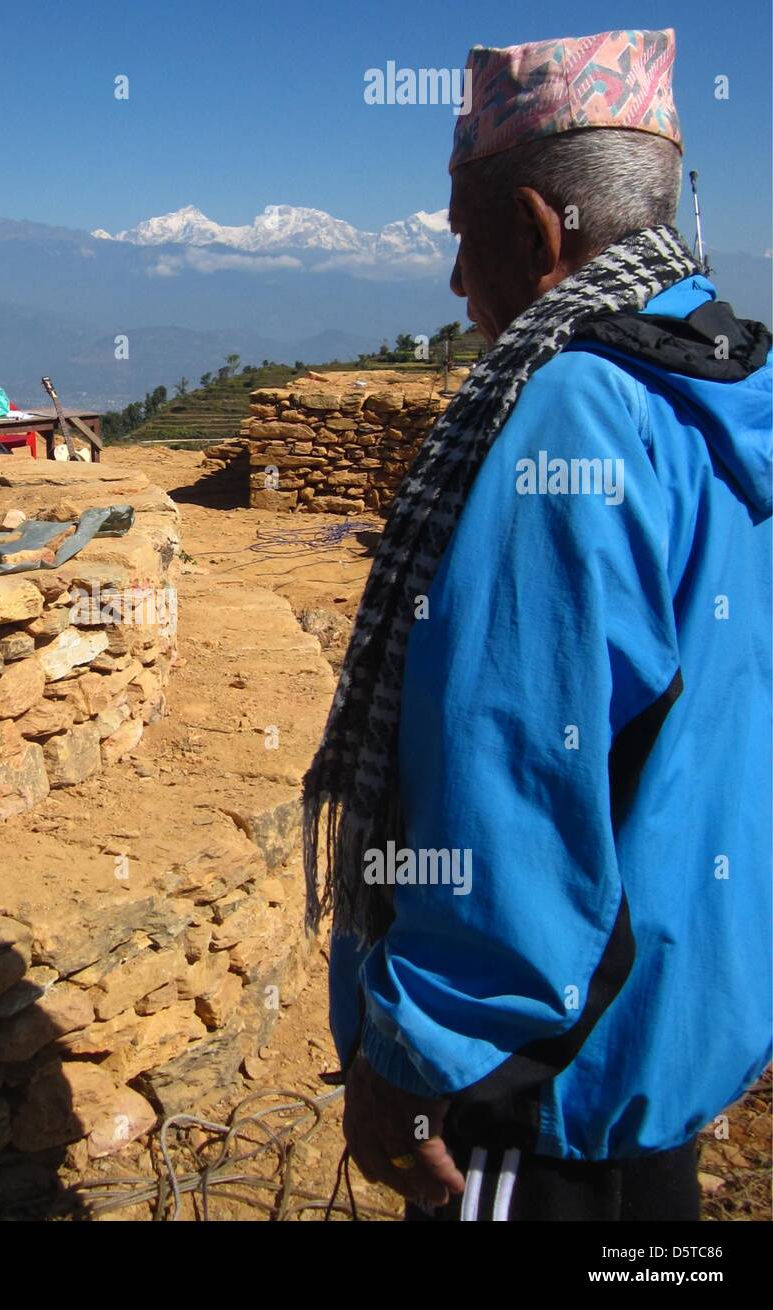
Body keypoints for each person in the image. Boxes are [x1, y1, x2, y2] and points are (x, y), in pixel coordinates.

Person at [306, 28, 771, 1223]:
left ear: (533, 227)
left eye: (464, 243)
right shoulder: (728, 394)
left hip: (535, 1081)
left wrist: (416, 1063)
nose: (459, 286)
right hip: (674, 1023)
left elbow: (517, 778)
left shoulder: (577, 415)